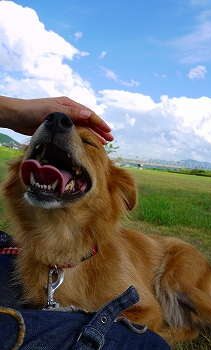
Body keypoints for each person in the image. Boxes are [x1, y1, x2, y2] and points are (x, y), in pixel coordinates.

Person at [0, 96, 171, 350]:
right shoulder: (23, 270)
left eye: (88, 142)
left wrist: (13, 112)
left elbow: (147, 312)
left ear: (112, 188)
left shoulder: (114, 265)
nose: (57, 123)